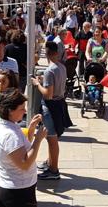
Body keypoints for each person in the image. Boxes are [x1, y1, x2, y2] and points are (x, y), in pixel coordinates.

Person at [0, 89, 47, 207]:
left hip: (15, 187)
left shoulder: (7, 125)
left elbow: (22, 148)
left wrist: (31, 128)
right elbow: (24, 164)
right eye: (21, 109)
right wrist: (38, 140)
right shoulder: (9, 135)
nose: (25, 111)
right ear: (10, 111)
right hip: (16, 192)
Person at [31, 41, 69, 180]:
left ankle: (54, 170)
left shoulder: (49, 70)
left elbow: (48, 94)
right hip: (59, 104)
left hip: (50, 106)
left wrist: (37, 84)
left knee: (51, 139)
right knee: (51, 138)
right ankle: (50, 163)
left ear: (47, 53)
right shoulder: (62, 67)